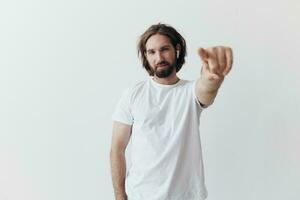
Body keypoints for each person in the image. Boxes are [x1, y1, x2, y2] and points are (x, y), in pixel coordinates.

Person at [110, 23, 233, 200]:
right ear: (146, 55)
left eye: (164, 49)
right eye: (151, 52)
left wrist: (212, 76)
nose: (158, 57)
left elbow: (207, 87)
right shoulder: (133, 94)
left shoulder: (190, 92)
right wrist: (120, 195)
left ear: (177, 49)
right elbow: (117, 149)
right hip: (140, 195)